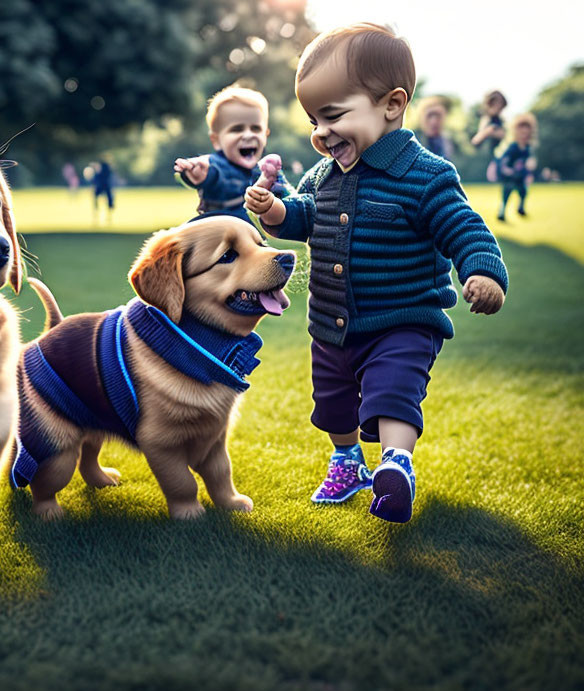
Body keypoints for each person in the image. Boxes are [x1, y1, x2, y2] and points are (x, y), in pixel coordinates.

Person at [245, 23, 508, 523]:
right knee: (333, 402)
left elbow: (465, 228)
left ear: (391, 105)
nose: (321, 133)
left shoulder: (425, 174)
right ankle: (346, 460)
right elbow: (305, 217)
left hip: (403, 319)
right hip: (332, 323)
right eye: (312, 120)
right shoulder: (322, 176)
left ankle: (395, 466)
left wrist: (484, 272)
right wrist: (276, 211)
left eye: (334, 116)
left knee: (392, 391)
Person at [174, 85, 290, 223]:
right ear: (216, 140)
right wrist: (199, 172)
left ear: (266, 135)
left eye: (256, 128)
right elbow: (213, 171)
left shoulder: (267, 169)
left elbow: (290, 201)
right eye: (237, 129)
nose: (248, 135)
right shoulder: (218, 164)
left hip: (250, 235)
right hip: (218, 230)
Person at [497, 113, 537, 221]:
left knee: (523, 191)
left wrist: (531, 165)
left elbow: (530, 160)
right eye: (521, 132)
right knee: (507, 193)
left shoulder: (528, 148)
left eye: (526, 132)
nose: (524, 135)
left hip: (520, 176)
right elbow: (504, 160)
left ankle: (521, 208)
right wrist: (506, 169)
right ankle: (502, 212)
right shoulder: (513, 147)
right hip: (510, 175)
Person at [470, 90, 507, 182]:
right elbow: (476, 140)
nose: (498, 107)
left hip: (500, 157)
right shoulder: (486, 119)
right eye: (496, 104)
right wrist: (489, 132)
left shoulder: (501, 121)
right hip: (486, 158)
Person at [418, 96, 454, 161]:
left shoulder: (453, 144)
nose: (433, 122)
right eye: (429, 116)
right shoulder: (413, 143)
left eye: (438, 116)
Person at [91, 158, 115, 223]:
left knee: (106, 201)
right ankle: (103, 217)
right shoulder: (106, 170)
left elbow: (95, 180)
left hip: (103, 186)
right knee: (108, 201)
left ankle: (103, 217)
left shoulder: (102, 170)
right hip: (104, 186)